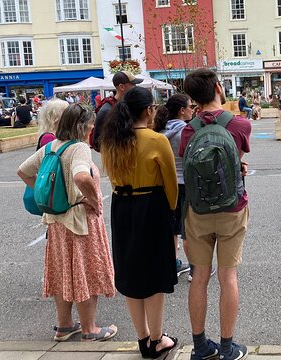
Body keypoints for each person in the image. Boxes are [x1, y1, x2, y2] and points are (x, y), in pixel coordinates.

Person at [17, 104, 117, 342]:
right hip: (79, 220)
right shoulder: (79, 148)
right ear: (82, 126)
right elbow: (81, 176)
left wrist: (50, 195)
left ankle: (64, 326)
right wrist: (93, 199)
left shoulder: (51, 146)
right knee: (86, 271)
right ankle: (89, 329)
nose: (93, 126)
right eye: (91, 123)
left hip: (57, 221)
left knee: (64, 272)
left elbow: (23, 171)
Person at [99, 86, 179, 358]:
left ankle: (143, 338)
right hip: (151, 206)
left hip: (121, 206)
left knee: (131, 274)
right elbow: (171, 185)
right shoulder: (157, 140)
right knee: (155, 276)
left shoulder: (111, 140)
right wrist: (171, 215)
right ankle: (157, 340)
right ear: (148, 110)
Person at [179, 68, 251, 360]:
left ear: (193, 98)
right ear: (219, 88)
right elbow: (236, 161)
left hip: (198, 210)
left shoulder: (188, 130)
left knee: (199, 277)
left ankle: (199, 346)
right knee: (228, 276)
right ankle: (227, 347)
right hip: (232, 208)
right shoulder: (240, 125)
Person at [153, 94, 193, 279]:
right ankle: (195, 267)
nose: (192, 110)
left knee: (171, 228)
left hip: (166, 183)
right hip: (185, 182)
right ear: (182, 110)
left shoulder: (160, 131)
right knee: (188, 230)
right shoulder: (186, 131)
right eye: (190, 107)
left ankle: (173, 264)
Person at [92, 70, 143, 151]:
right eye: (133, 84)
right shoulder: (106, 110)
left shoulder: (130, 105)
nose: (136, 87)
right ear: (121, 87)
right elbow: (97, 142)